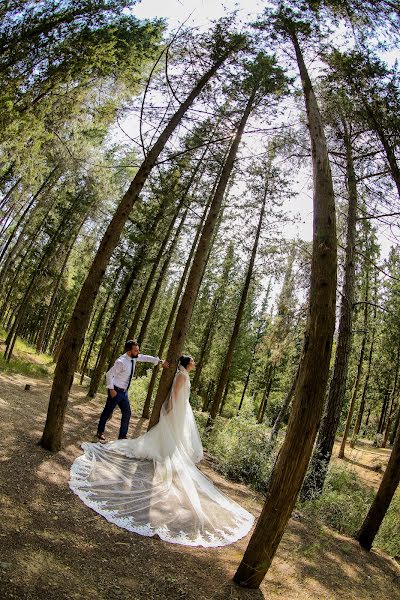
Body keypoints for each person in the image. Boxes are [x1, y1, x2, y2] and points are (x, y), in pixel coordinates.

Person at [70, 355, 254, 547]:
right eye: (192, 361)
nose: (194, 363)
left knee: (174, 436)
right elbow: (175, 393)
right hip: (176, 409)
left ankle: (167, 448)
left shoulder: (184, 374)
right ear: (185, 363)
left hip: (182, 409)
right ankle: (152, 446)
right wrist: (170, 409)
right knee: (164, 434)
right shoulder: (180, 376)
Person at [96, 339, 169, 441]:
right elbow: (109, 374)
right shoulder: (121, 362)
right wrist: (111, 389)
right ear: (129, 351)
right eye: (136, 351)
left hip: (124, 392)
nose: (138, 352)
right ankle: (100, 432)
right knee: (108, 411)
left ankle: (122, 436)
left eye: (138, 350)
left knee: (127, 413)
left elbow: (145, 357)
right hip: (116, 390)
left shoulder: (134, 357)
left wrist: (160, 361)